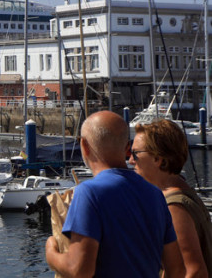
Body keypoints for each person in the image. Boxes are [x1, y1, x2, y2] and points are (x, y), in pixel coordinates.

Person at [45, 110, 185, 277]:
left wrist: (51, 252)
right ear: (127, 148)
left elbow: (79, 270)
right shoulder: (155, 194)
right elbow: (176, 269)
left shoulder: (89, 193)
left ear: (84, 146)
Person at [131, 119, 212, 277]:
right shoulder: (184, 193)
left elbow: (194, 271)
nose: (131, 160)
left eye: (135, 153)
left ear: (158, 159)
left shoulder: (174, 207)